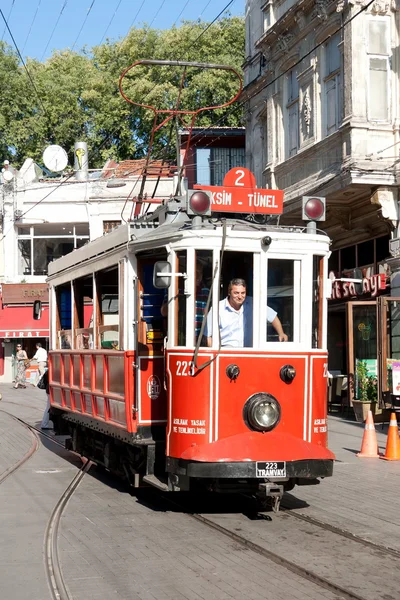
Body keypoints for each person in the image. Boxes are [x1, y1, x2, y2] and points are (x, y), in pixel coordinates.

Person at [205, 278, 288, 347]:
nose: (240, 296)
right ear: (229, 293)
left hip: (249, 353)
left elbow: (272, 316)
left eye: (243, 293)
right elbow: (208, 336)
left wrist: (281, 333)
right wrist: (217, 355)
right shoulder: (217, 308)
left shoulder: (252, 303)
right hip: (226, 353)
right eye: (236, 293)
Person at [161, 261, 210, 341]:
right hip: (180, 338)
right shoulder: (174, 290)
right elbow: (164, 312)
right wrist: (177, 298)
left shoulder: (206, 292)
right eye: (195, 272)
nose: (198, 276)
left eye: (200, 273)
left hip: (202, 338)